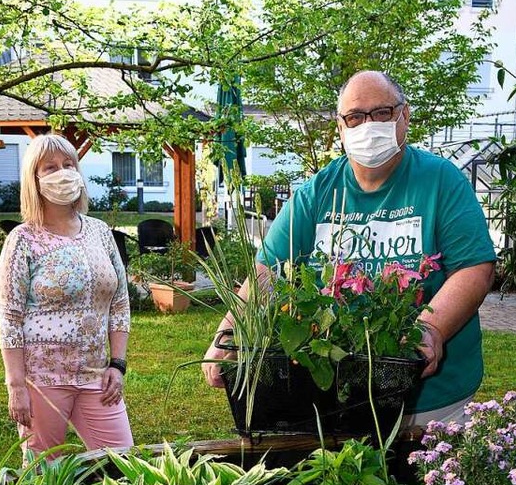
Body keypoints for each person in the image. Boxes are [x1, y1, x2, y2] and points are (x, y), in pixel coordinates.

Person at [202, 70, 497, 428]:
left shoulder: (440, 182)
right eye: (355, 117)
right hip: (338, 399)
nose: (368, 125)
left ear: (404, 116)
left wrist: (431, 330)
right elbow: (266, 271)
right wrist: (229, 333)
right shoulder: (317, 193)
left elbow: (474, 269)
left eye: (382, 113)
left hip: (431, 398)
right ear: (340, 128)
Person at [0, 133, 133, 459]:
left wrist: (117, 364)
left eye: (68, 164)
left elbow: (120, 302)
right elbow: (10, 317)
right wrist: (16, 386)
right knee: (44, 480)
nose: (63, 173)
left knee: (126, 466)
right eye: (51, 167)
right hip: (42, 380)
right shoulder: (23, 240)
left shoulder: (100, 232)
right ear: (35, 180)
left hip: (96, 376)